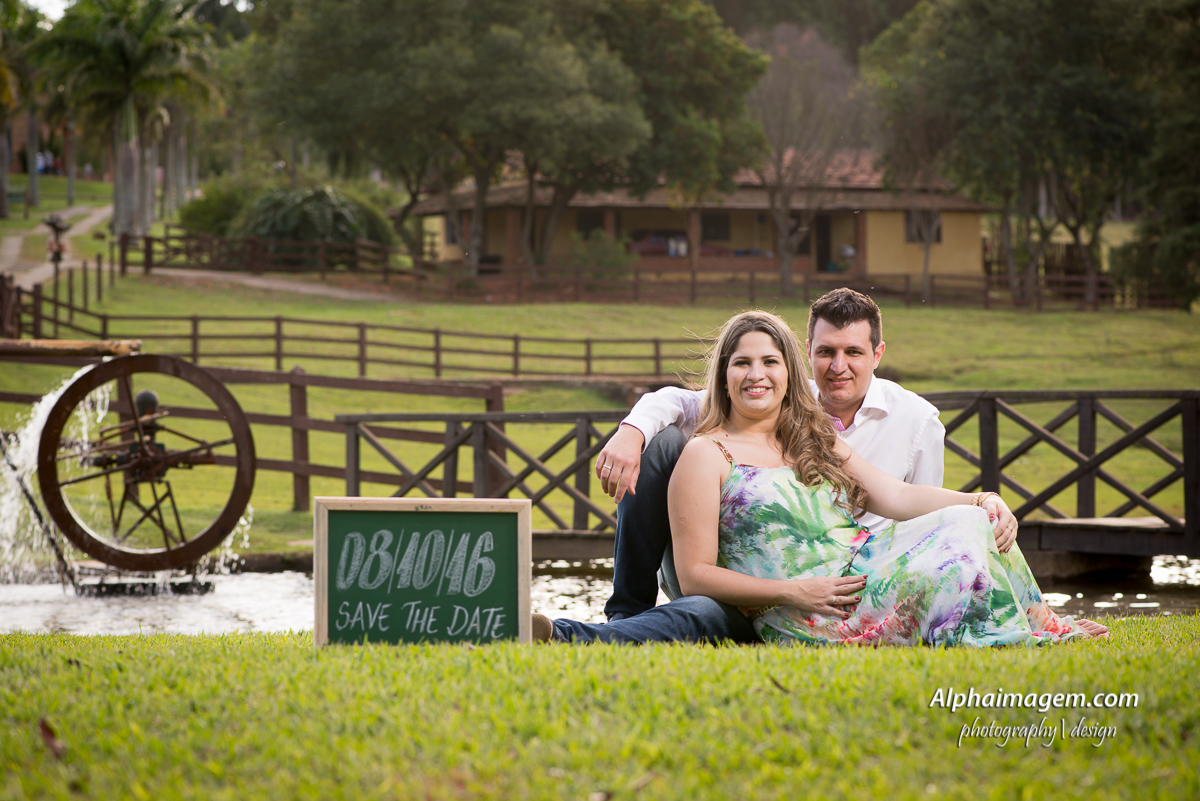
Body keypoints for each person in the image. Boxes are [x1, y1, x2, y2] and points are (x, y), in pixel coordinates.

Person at [536, 311, 1108, 645]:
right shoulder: (704, 454)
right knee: (959, 552)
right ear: (724, 376)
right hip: (805, 607)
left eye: (770, 362)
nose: (756, 375)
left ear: (789, 373)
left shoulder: (815, 437)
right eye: (742, 362)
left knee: (966, 523)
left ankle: (1033, 623)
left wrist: (982, 497)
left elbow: (896, 494)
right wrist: (793, 590)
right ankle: (576, 631)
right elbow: (695, 573)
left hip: (862, 569)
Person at [597, 288, 944, 623]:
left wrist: (979, 503)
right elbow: (677, 401)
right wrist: (632, 431)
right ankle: (627, 609)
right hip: (749, 569)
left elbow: (912, 510)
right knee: (663, 443)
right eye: (826, 352)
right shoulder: (773, 393)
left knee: (698, 618)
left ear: (877, 354)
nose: (839, 367)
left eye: (853, 352)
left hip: (855, 573)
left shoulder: (916, 420)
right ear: (807, 353)